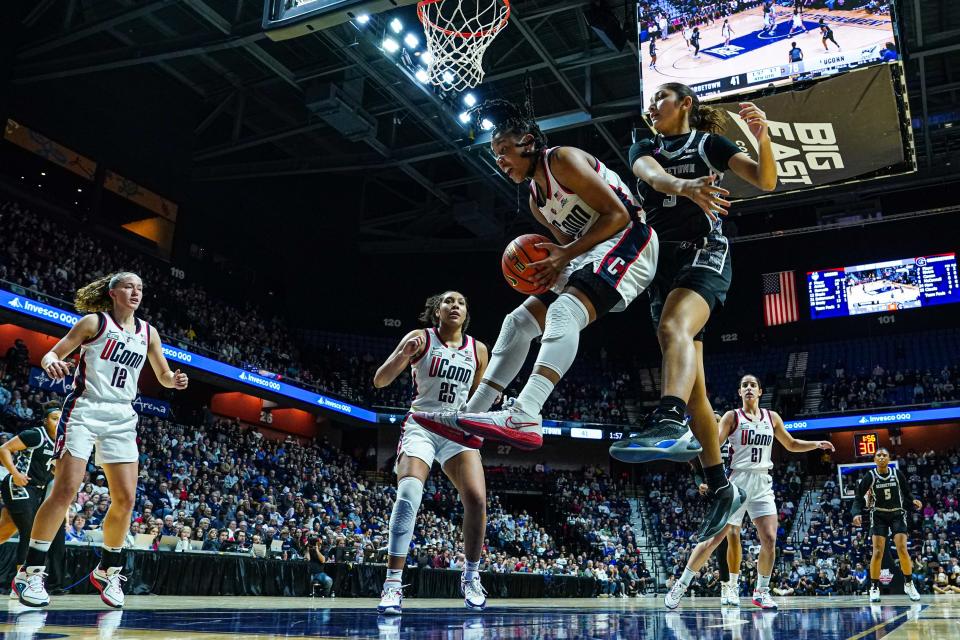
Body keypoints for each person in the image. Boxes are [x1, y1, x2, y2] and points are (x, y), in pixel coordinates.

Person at [412, 98, 658, 454]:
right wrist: (556, 267)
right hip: (593, 252)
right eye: (495, 154)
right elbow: (569, 248)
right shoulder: (534, 200)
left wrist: (566, 256)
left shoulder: (562, 160)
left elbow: (617, 216)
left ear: (527, 142)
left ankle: (526, 412)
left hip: (631, 240)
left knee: (563, 312)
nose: (499, 161)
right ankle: (471, 416)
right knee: (518, 322)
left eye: (504, 150)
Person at [609, 83, 775, 542]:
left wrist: (762, 138)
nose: (651, 104)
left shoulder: (709, 144)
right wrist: (685, 186)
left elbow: (765, 180)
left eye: (661, 96)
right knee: (697, 386)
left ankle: (668, 417)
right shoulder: (646, 146)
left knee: (672, 327)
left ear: (685, 104)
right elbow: (651, 174)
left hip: (705, 252)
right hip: (662, 265)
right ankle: (722, 487)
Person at [14, 272, 189, 608]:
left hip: (123, 417)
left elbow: (163, 374)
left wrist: (175, 380)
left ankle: (108, 571)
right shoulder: (94, 322)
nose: (136, 292)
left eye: (140, 287)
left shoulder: (148, 332)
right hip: (85, 409)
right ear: (113, 292)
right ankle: (30, 571)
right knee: (65, 489)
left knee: (125, 499)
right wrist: (53, 364)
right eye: (129, 286)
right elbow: (53, 354)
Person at [663, 374, 835, 610]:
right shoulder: (732, 416)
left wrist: (816, 444)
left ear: (760, 392)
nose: (749, 388)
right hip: (738, 481)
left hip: (763, 482)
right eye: (744, 385)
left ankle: (761, 592)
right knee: (714, 539)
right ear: (740, 392)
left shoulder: (771, 417)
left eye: (753, 385)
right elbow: (714, 443)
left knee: (770, 539)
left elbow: (791, 444)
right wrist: (689, 443)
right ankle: (681, 585)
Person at [373, 291, 490, 615]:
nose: (455, 306)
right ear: (436, 310)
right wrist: (402, 356)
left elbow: (481, 398)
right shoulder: (419, 339)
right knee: (409, 491)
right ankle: (393, 584)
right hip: (422, 425)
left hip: (457, 429)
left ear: (466, 314)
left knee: (477, 500)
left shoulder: (478, 350)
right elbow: (380, 380)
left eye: (462, 302)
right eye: (449, 301)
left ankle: (470, 576)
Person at [0, 402, 67, 586]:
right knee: (29, 531)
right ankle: (23, 582)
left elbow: (53, 471)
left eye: (62, 419)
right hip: (18, 485)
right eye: (54, 419)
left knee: (5, 531)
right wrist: (15, 473)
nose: (58, 422)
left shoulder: (62, 444)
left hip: (36, 490)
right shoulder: (36, 435)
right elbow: (4, 449)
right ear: (45, 421)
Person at [851, 447, 922, 602]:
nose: (882, 457)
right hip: (878, 515)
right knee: (877, 552)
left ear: (889, 459)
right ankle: (874, 587)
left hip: (897, 513)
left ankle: (908, 584)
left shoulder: (897, 474)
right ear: (874, 459)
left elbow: (907, 492)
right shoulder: (870, 476)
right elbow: (858, 497)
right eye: (879, 455)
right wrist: (856, 513)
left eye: (885, 455)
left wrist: (913, 500)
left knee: (902, 548)